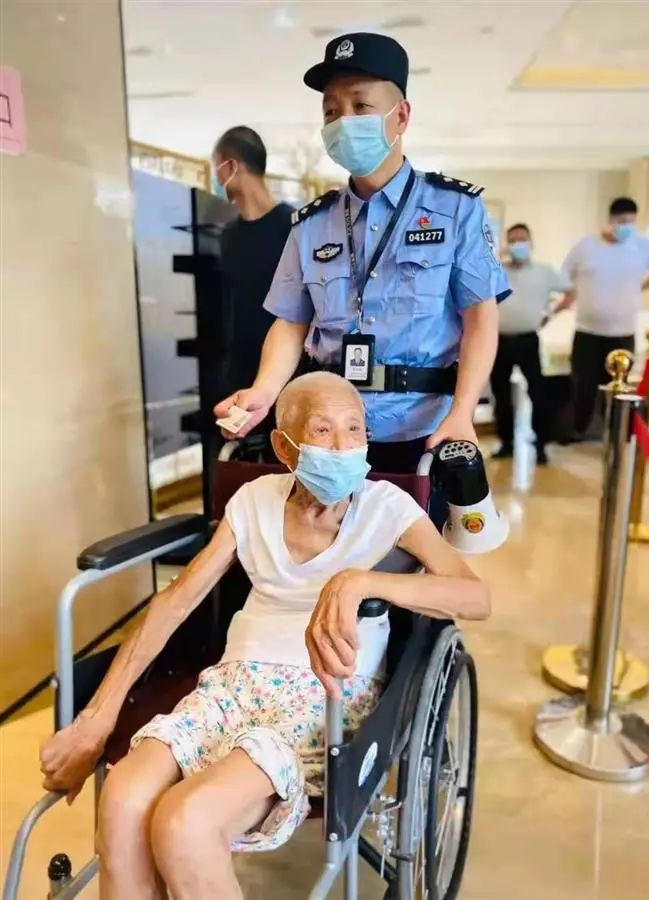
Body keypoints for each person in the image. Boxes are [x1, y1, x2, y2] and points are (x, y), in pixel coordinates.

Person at [39, 372, 489, 900]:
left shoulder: (387, 507)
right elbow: (175, 601)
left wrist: (360, 581)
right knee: (121, 801)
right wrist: (96, 719)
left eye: (355, 429)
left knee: (185, 823)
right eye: (322, 430)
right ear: (284, 446)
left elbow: (474, 597)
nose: (343, 446)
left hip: (319, 701)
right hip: (227, 690)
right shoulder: (253, 501)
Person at [215, 32, 510, 474]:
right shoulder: (312, 224)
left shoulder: (454, 209)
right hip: (329, 434)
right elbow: (291, 322)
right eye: (331, 111)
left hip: (423, 432)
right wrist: (264, 390)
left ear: (401, 116)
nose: (343, 122)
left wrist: (463, 411)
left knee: (415, 523)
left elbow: (480, 318)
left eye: (360, 106)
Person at [212, 126, 294, 460]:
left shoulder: (293, 227)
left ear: (232, 166)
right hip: (239, 378)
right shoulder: (228, 236)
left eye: (218, 167)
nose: (217, 177)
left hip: (287, 377)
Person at [560, 196, 649, 438]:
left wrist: (641, 287)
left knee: (619, 390)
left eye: (631, 221)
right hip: (588, 331)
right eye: (622, 221)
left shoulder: (642, 245)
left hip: (622, 332)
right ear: (610, 220)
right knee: (583, 386)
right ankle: (579, 432)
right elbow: (565, 274)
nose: (626, 226)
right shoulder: (587, 246)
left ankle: (614, 435)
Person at [490, 223, 572, 465]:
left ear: (531, 243)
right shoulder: (496, 270)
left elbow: (570, 291)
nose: (518, 245)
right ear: (507, 244)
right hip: (499, 340)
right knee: (501, 394)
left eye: (522, 239)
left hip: (528, 340)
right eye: (513, 240)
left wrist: (550, 314)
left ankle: (541, 444)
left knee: (538, 392)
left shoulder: (544, 272)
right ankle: (506, 443)